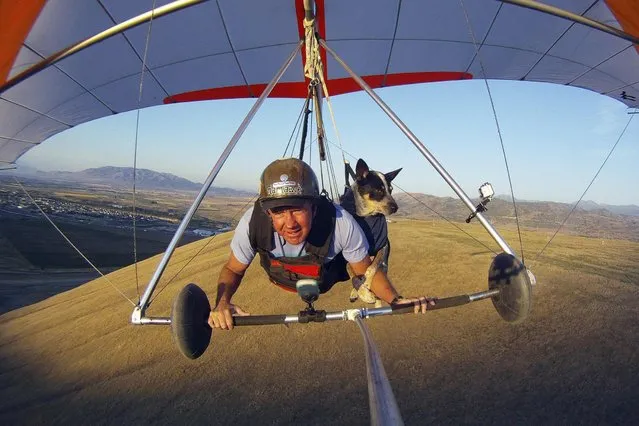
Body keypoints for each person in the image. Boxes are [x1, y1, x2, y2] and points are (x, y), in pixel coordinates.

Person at [208, 158, 434, 330]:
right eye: (278, 211)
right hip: (280, 278)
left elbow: (365, 271)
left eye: (297, 209)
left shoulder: (341, 223)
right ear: (268, 213)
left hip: (325, 276)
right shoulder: (252, 223)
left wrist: (396, 300)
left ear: (314, 208)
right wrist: (222, 303)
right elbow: (232, 268)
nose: (290, 223)